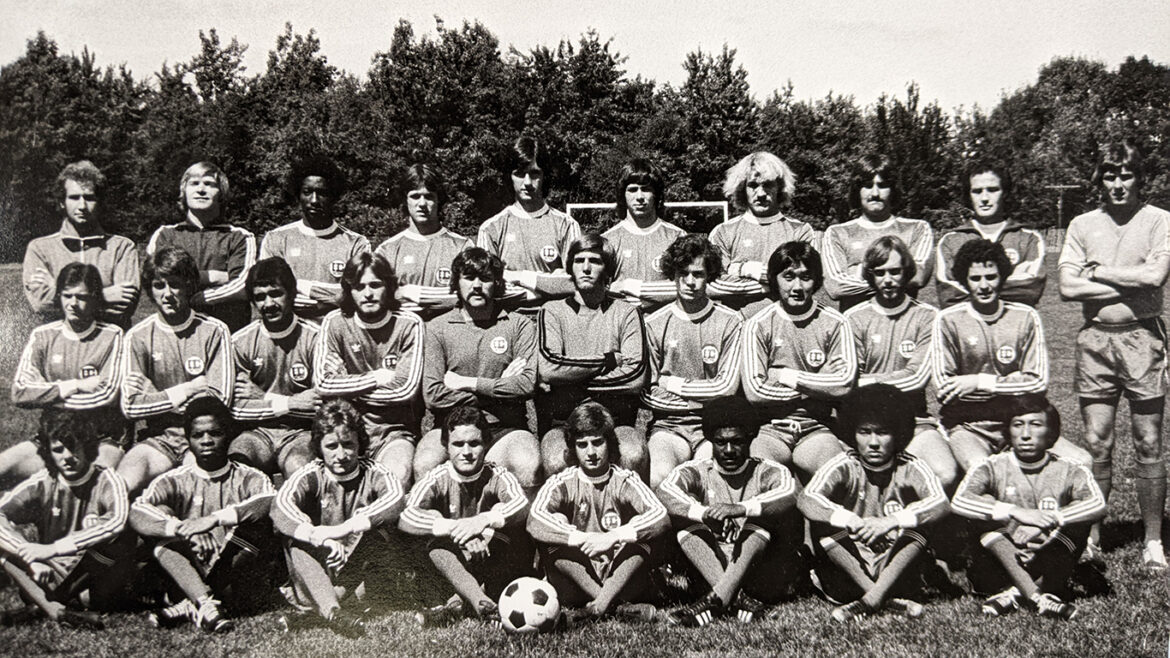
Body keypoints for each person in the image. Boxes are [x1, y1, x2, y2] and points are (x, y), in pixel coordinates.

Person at [1057, 140, 1170, 571]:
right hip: (1096, 340)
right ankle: (1091, 537)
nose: (1118, 184)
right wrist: (1135, 281)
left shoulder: (1159, 221)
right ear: (1099, 179)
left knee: (1148, 441)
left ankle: (1153, 540)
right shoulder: (1083, 225)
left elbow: (1157, 276)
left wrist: (1100, 271)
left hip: (1143, 338)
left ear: (1140, 178)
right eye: (1110, 175)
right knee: (1097, 443)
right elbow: (1068, 288)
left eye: (1126, 175)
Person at [798, 384, 949, 622]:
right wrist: (851, 520)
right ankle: (878, 597)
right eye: (865, 432)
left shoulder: (910, 465)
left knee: (921, 525)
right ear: (852, 433)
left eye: (883, 432)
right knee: (822, 523)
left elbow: (940, 502)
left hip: (894, 568)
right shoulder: (844, 464)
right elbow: (807, 498)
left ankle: (869, 601)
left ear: (898, 433)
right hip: (849, 570)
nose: (874, 442)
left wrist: (890, 522)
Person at [131, 397, 277, 632]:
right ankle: (205, 602)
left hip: (232, 575)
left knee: (257, 524)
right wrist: (182, 529)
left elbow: (269, 502)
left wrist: (212, 520)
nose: (206, 441)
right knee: (159, 517)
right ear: (188, 440)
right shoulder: (174, 479)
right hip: (189, 571)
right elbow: (138, 511)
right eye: (198, 435)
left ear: (228, 435)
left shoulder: (250, 477)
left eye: (215, 433)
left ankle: (194, 602)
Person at [952, 396, 1105, 620]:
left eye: (1035, 424)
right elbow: (959, 501)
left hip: (1049, 560)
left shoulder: (1070, 468)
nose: (1025, 434)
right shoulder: (991, 466)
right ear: (1008, 432)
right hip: (1001, 563)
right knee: (981, 514)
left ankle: (1014, 593)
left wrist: (1051, 518)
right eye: (1017, 425)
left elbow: (1097, 504)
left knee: (1078, 523)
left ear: (1051, 434)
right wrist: (1015, 511)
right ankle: (1038, 596)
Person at [933, 239, 1074, 475]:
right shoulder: (948, 319)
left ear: (1003, 276)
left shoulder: (1026, 316)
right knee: (982, 469)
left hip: (1019, 420)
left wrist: (976, 382)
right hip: (969, 425)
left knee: (1080, 460)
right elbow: (945, 389)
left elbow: (1038, 383)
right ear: (964, 281)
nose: (984, 285)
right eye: (975, 279)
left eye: (991, 276)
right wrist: (1014, 381)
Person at [657, 396, 801, 626]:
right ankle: (737, 599)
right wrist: (703, 513)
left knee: (761, 521)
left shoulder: (767, 470)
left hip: (757, 572)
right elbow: (664, 492)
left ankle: (716, 599)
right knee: (686, 523)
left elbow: (789, 495)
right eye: (721, 442)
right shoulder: (698, 471)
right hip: (709, 567)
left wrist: (741, 509)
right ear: (710, 441)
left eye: (737, 441)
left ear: (751, 438)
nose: (729, 450)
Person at [271, 399, 405, 637]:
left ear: (360, 444)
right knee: (295, 538)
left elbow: (396, 499)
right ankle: (331, 609)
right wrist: (319, 539)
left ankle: (325, 612)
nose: (341, 455)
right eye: (332, 446)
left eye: (348, 445)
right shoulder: (312, 474)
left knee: (380, 530)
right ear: (319, 447)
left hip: (358, 577)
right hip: (317, 574)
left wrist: (341, 530)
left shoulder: (373, 472)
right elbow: (280, 507)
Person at [528, 401, 668, 623]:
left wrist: (613, 536)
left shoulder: (625, 479)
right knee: (552, 529)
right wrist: (581, 538)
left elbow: (660, 516)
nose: (591, 452)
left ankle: (598, 607)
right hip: (579, 575)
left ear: (610, 443)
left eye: (597, 442)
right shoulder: (563, 481)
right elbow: (534, 519)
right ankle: (615, 606)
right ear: (573, 448)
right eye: (582, 445)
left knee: (645, 534)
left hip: (619, 574)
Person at [414, 247, 539, 493]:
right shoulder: (438, 328)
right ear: (456, 282)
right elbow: (433, 394)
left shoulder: (519, 325)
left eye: (485, 278)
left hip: (505, 426)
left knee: (528, 464)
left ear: (497, 283)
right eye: (469, 278)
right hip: (450, 429)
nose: (477, 286)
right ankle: (434, 529)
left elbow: (526, 385)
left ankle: (520, 531)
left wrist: (465, 383)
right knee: (425, 463)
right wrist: (498, 386)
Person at [400, 406, 531, 627]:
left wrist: (481, 522)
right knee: (436, 543)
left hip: (489, 556)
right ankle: (479, 601)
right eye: (458, 444)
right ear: (446, 447)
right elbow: (406, 517)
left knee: (506, 532)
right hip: (452, 559)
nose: (467, 452)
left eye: (474, 443)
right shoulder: (437, 477)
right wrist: (458, 529)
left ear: (486, 444)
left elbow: (521, 504)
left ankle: (457, 605)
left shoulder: (497, 474)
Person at [0, 410, 131, 629]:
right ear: (48, 453)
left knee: (122, 538)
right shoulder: (42, 483)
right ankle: (58, 611)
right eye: (58, 450)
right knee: (4, 542)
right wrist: (29, 556)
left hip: (91, 576)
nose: (67, 456)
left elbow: (117, 520)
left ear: (88, 446)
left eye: (74, 446)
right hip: (48, 574)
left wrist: (54, 548)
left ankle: (45, 606)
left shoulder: (107, 479)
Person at [120, 247, 234, 497]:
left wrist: (156, 396)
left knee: (202, 493)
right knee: (120, 485)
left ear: (189, 285)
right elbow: (130, 407)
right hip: (159, 438)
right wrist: (188, 389)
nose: (168, 294)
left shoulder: (214, 331)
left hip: (204, 440)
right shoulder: (137, 337)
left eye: (175, 284)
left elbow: (218, 401)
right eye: (159, 286)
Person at [844, 236, 956, 489]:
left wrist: (870, 382)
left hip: (914, 420)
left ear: (906, 272)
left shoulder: (928, 317)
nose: (888, 279)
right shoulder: (853, 318)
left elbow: (916, 378)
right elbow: (849, 381)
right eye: (880, 272)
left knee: (945, 473)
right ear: (870, 275)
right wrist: (888, 380)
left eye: (895, 271)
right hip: (864, 424)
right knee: (851, 480)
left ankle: (914, 528)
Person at [536, 233, 649, 479]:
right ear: (570, 267)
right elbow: (549, 367)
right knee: (557, 460)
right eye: (579, 260)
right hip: (564, 421)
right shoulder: (552, 311)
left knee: (633, 454)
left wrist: (570, 380)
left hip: (616, 421)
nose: (586, 268)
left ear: (607, 269)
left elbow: (635, 375)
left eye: (595, 261)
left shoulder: (627, 312)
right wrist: (609, 360)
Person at [741, 241, 856, 480]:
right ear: (774, 279)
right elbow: (754, 392)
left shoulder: (835, 322)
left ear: (817, 280)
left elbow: (844, 386)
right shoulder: (758, 324)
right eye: (788, 276)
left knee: (838, 476)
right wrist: (819, 382)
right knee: (759, 477)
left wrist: (783, 375)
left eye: (806, 277)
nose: (797, 286)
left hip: (817, 426)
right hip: (769, 428)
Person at [8, 263, 124, 487]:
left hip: (100, 440)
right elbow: (20, 392)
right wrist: (73, 385)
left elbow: (106, 395)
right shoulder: (42, 336)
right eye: (67, 296)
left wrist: (46, 392)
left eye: (81, 297)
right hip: (52, 439)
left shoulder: (112, 336)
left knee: (94, 485)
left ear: (95, 298)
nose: (73, 304)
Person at [315, 251, 423, 489]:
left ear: (389, 286)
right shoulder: (334, 322)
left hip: (392, 431)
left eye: (376, 284)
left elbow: (404, 391)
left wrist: (344, 385)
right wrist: (376, 377)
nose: (368, 293)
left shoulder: (409, 324)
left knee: (397, 475)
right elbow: (322, 384)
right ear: (349, 290)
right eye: (359, 286)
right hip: (344, 430)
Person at [643, 234, 743, 488]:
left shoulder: (731, 321)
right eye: (683, 273)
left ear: (709, 275)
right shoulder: (654, 323)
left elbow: (726, 388)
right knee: (659, 477)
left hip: (714, 426)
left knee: (713, 478)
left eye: (698, 274)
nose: (690, 282)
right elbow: (647, 390)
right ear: (673, 275)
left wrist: (672, 384)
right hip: (668, 426)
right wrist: (699, 396)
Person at [230, 257, 321, 478]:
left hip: (301, 432)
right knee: (238, 463)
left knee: (299, 467)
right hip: (256, 432)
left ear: (291, 293)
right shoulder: (240, 342)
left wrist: (261, 397)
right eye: (260, 297)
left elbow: (318, 403)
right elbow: (237, 408)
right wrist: (290, 402)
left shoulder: (315, 337)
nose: (268, 304)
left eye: (275, 293)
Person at [22, 160, 140, 328]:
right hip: (59, 344)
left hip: (109, 343)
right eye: (74, 197)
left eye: (89, 198)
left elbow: (124, 306)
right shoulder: (40, 249)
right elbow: (40, 305)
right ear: (62, 202)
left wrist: (57, 289)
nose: (82, 206)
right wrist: (105, 296)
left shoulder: (122, 247)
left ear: (100, 202)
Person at [258, 155, 371, 322]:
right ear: (298, 194)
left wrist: (303, 287)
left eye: (322, 193)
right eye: (307, 192)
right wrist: (333, 298)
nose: (314, 200)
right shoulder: (276, 239)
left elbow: (358, 293)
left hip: (337, 331)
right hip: (291, 334)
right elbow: (269, 290)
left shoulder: (356, 243)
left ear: (333, 196)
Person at [146, 161, 256, 331]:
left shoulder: (239, 237)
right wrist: (216, 276)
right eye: (194, 183)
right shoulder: (165, 234)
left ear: (221, 193)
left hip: (229, 330)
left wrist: (199, 297)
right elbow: (157, 280)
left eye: (210, 184)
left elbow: (243, 285)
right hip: (176, 331)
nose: (201, 189)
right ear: (184, 191)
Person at [478, 136, 580, 315]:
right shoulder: (491, 229)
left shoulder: (566, 225)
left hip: (554, 324)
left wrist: (516, 276)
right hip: (509, 326)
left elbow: (574, 284)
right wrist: (548, 287)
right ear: (509, 176)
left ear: (545, 175)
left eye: (534, 173)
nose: (527, 182)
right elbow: (490, 290)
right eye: (519, 173)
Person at [709, 152, 815, 317]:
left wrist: (741, 269)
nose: (760, 193)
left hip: (787, 324)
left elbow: (802, 280)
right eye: (753, 185)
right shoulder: (723, 232)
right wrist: (773, 281)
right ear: (742, 188)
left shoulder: (800, 231)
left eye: (768, 185)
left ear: (779, 187)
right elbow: (715, 284)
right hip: (737, 326)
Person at [822, 155, 934, 311]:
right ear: (857, 190)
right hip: (857, 328)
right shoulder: (838, 233)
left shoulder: (916, 229)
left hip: (904, 325)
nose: (875, 193)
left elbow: (919, 276)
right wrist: (896, 271)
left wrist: (858, 270)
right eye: (867, 185)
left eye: (882, 185)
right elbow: (835, 287)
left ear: (893, 189)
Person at [936, 161, 1046, 308]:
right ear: (969, 195)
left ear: (1005, 192)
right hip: (967, 327)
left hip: (1014, 326)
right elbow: (949, 294)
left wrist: (971, 283)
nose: (985, 198)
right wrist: (1012, 277)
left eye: (992, 190)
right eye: (977, 191)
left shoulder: (1028, 238)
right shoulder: (951, 241)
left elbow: (1030, 290)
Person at [376, 164, 474, 321]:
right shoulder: (387, 250)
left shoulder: (462, 246)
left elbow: (471, 295)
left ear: (439, 200)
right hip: (404, 337)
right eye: (415, 196)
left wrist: (410, 293)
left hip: (448, 337)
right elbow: (379, 299)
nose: (422, 203)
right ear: (405, 200)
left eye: (429, 196)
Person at [602, 158, 686, 312]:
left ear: (656, 194)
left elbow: (689, 286)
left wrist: (632, 288)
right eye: (632, 189)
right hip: (622, 328)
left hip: (666, 328)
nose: (639, 196)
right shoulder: (608, 240)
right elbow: (600, 291)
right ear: (623, 194)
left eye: (646, 189)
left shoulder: (677, 237)